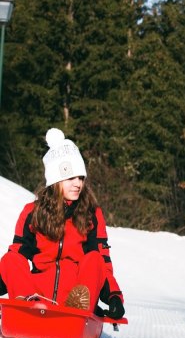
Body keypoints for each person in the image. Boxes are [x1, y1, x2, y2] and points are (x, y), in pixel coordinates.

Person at [0, 128, 125, 319]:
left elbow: (102, 262)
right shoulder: (32, 212)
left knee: (94, 259)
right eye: (71, 178)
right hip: (37, 293)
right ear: (55, 180)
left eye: (81, 178)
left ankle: (77, 310)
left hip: (77, 294)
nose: (78, 184)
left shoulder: (92, 214)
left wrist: (114, 297)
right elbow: (16, 258)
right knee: (10, 258)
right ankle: (28, 304)